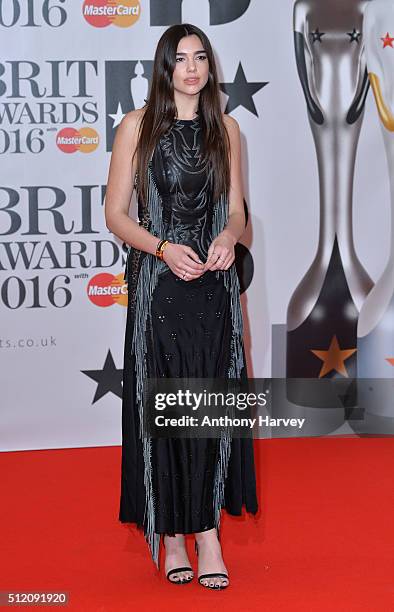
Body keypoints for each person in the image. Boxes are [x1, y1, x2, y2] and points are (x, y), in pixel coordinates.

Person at [105, 23, 258, 590]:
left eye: (200, 58)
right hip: (159, 291)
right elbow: (116, 215)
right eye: (180, 59)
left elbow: (238, 211)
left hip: (214, 292)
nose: (191, 69)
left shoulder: (229, 130)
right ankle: (172, 535)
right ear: (164, 67)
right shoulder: (136, 128)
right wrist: (164, 248)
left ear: (210, 67)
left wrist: (228, 237)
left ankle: (208, 533)